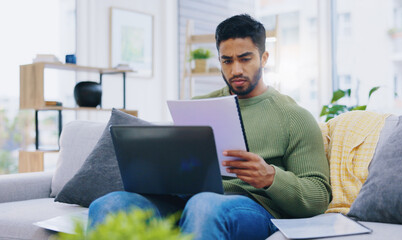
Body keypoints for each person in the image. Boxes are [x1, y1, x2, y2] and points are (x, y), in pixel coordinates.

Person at [88, 14, 331, 239]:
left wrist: (270, 177)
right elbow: (181, 166)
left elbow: (318, 195)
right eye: (227, 61)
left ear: (264, 58)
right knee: (108, 205)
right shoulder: (198, 107)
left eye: (245, 59)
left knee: (204, 205)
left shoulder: (295, 117)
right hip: (186, 201)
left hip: (251, 207)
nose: (235, 70)